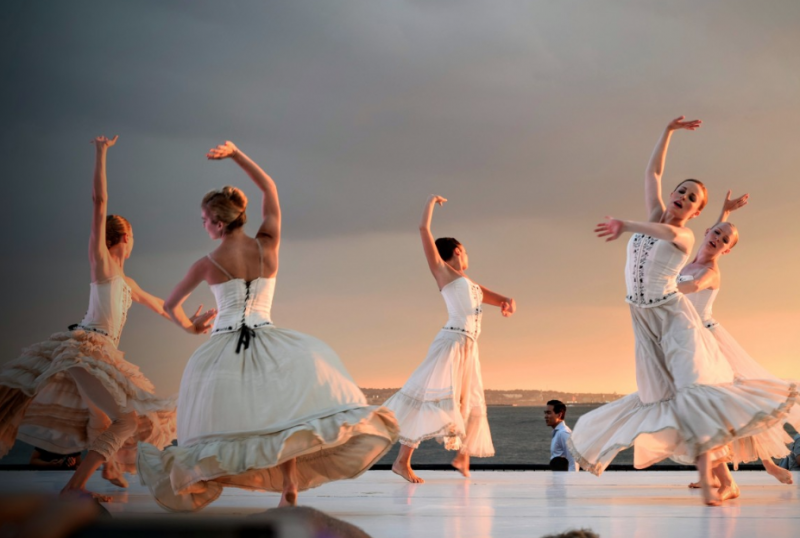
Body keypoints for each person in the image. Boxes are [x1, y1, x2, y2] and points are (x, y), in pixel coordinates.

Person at [137, 141, 399, 511]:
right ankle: (289, 482)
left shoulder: (206, 262)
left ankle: (204, 480)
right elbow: (270, 188)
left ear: (219, 222)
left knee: (230, 422)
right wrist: (236, 154)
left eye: (204, 220)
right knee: (283, 418)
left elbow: (169, 305)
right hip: (271, 339)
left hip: (225, 346)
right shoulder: (268, 245)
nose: (203, 226)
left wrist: (192, 327)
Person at [567, 116, 797, 506]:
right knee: (660, 397)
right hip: (642, 322)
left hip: (675, 319)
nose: (684, 198)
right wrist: (667, 132)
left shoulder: (684, 234)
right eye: (682, 191)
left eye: (693, 199)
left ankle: (713, 482)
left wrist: (625, 224)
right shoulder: (658, 216)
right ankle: (722, 477)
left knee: (694, 394)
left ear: (696, 214)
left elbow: (673, 236)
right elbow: (652, 172)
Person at [0, 136, 209, 501]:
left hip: (101, 352)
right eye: (133, 235)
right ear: (125, 236)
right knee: (126, 419)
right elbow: (99, 203)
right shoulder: (102, 265)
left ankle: (104, 471)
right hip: (86, 349)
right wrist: (101, 152)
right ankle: (74, 488)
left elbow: (162, 306)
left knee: (100, 421)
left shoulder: (127, 281)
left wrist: (192, 326)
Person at [384, 195, 516, 484]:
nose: (468, 256)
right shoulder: (442, 272)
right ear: (457, 251)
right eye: (465, 251)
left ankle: (461, 456)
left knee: (467, 400)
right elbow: (423, 230)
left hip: (469, 347)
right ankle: (401, 461)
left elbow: (487, 294)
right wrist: (431, 203)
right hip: (452, 343)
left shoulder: (468, 282)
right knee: (427, 399)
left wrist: (506, 300)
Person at [678, 192, 800, 494]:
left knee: (734, 407)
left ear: (726, 251)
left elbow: (688, 287)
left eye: (723, 241)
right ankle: (714, 471)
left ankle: (768, 465)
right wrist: (725, 212)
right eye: (715, 233)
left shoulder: (709, 273)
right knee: (698, 408)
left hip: (710, 344)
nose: (716, 238)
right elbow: (716, 232)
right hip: (687, 342)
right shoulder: (696, 253)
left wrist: (657, 282)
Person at [545, 400, 577, 471]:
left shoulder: (563, 433)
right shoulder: (558, 432)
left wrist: (572, 481)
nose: (546, 416)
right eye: (545, 413)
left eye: (549, 413)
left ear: (559, 415)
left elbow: (573, 462)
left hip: (564, 480)